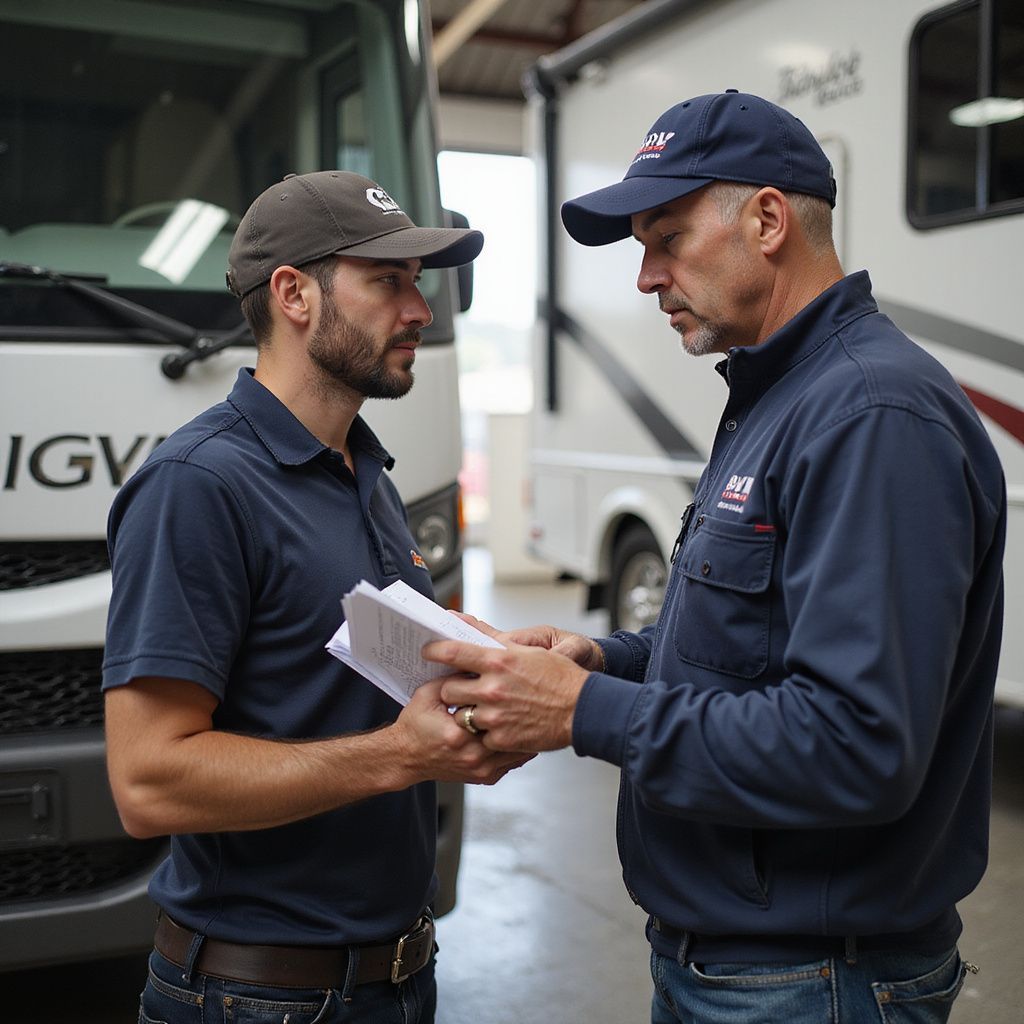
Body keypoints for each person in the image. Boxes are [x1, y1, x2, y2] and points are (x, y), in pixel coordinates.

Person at [425, 91, 1007, 1023]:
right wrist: (602, 661)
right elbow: (746, 643)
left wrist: (588, 713)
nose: (648, 276)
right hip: (742, 967)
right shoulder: (780, 395)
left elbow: (858, 746)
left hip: (814, 983)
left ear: (768, 220)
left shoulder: (870, 417)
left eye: (667, 238)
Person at [103, 170, 531, 1024]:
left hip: (393, 981)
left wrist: (475, 662)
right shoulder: (198, 486)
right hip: (257, 998)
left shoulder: (360, 472)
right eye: (388, 282)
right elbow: (148, 782)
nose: (421, 310)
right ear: (294, 294)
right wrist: (402, 754)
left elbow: (340, 670)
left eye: (419, 283)